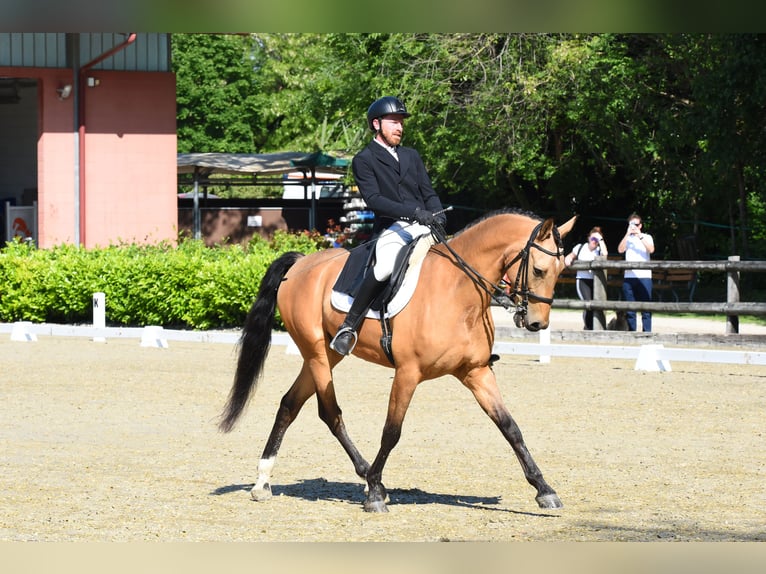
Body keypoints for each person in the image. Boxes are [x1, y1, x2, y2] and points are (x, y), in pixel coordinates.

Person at [329, 96, 446, 355]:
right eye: (393, 121)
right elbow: (374, 200)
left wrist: (437, 213)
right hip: (393, 227)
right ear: (376, 124)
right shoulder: (364, 159)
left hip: (425, 225)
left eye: (401, 122)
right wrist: (415, 213)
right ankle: (349, 326)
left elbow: (428, 191)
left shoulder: (411, 155)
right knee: (383, 268)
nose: (399, 127)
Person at [564, 226, 608, 329]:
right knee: (588, 304)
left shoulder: (599, 250)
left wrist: (600, 240)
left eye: (597, 239)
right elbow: (570, 256)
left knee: (597, 306)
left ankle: (594, 327)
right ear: (588, 238)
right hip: (583, 281)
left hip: (596, 282)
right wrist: (568, 259)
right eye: (593, 238)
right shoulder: (580, 247)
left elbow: (605, 255)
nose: (594, 241)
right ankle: (588, 328)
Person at [617, 213, 655, 332]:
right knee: (630, 309)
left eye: (636, 224)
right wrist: (628, 233)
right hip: (629, 277)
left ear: (641, 226)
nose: (634, 227)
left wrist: (639, 236)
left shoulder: (647, 237)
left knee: (646, 308)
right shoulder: (627, 239)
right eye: (631, 224)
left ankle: (647, 333)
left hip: (645, 277)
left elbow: (651, 249)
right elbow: (620, 250)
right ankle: (632, 333)